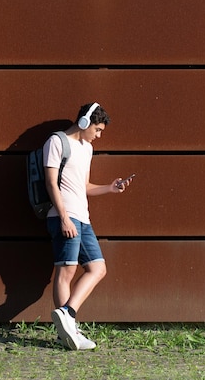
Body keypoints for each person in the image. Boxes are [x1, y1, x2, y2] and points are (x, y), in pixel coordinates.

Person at [43, 102, 132, 350]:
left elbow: (85, 186)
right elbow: (51, 183)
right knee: (66, 272)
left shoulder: (87, 148)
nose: (99, 135)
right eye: (98, 129)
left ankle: (67, 315)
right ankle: (67, 333)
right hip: (64, 215)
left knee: (98, 268)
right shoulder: (57, 142)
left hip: (83, 217)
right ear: (84, 122)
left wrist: (110, 188)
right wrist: (63, 217)